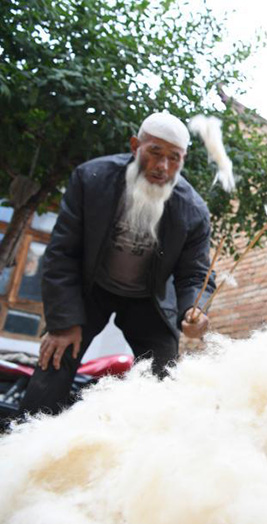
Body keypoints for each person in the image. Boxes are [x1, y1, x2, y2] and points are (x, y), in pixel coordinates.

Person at [20, 112, 214, 415]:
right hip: (90, 290)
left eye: (174, 158)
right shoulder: (91, 178)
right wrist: (63, 323)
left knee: (163, 377)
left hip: (147, 300)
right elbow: (62, 253)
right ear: (136, 145)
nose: (163, 167)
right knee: (57, 355)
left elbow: (194, 274)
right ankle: (23, 447)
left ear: (183, 160)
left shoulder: (194, 211)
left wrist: (194, 310)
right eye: (155, 152)